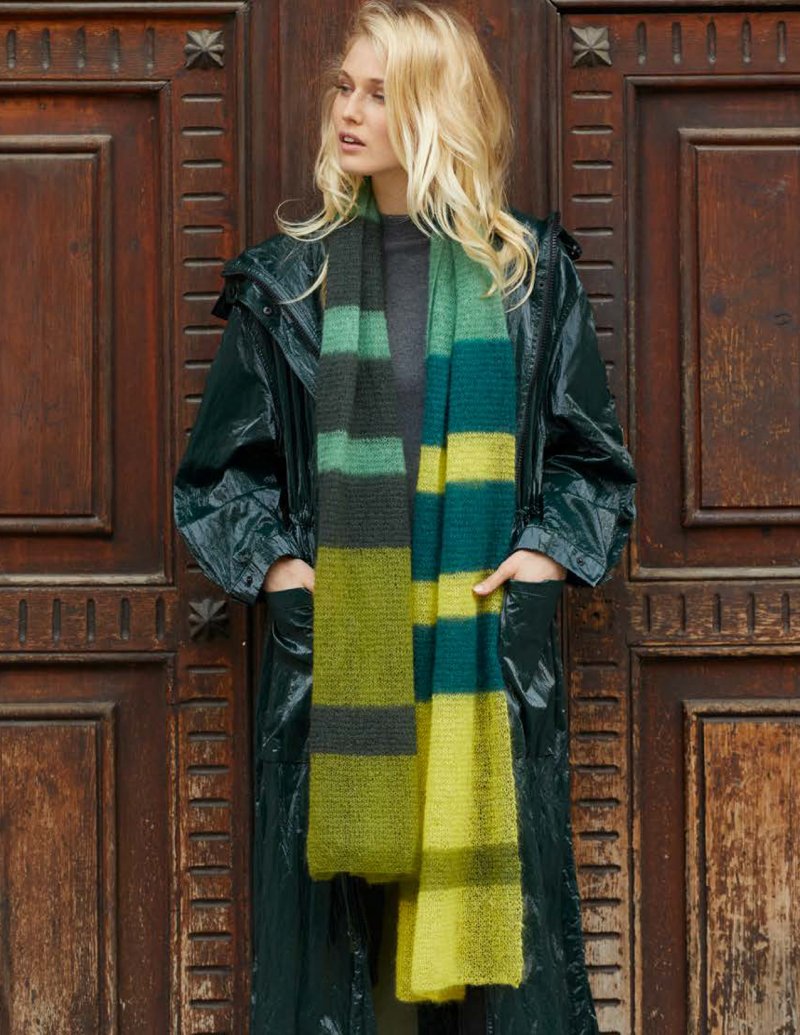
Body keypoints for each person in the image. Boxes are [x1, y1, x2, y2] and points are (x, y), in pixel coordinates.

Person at [173, 1, 637, 1032]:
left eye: (379, 93)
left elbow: (591, 463)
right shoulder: (289, 285)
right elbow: (220, 478)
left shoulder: (527, 277)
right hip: (347, 653)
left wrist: (542, 559)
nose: (348, 111)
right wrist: (288, 576)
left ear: (434, 109)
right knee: (344, 954)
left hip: (477, 647)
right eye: (344, 87)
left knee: (490, 969)